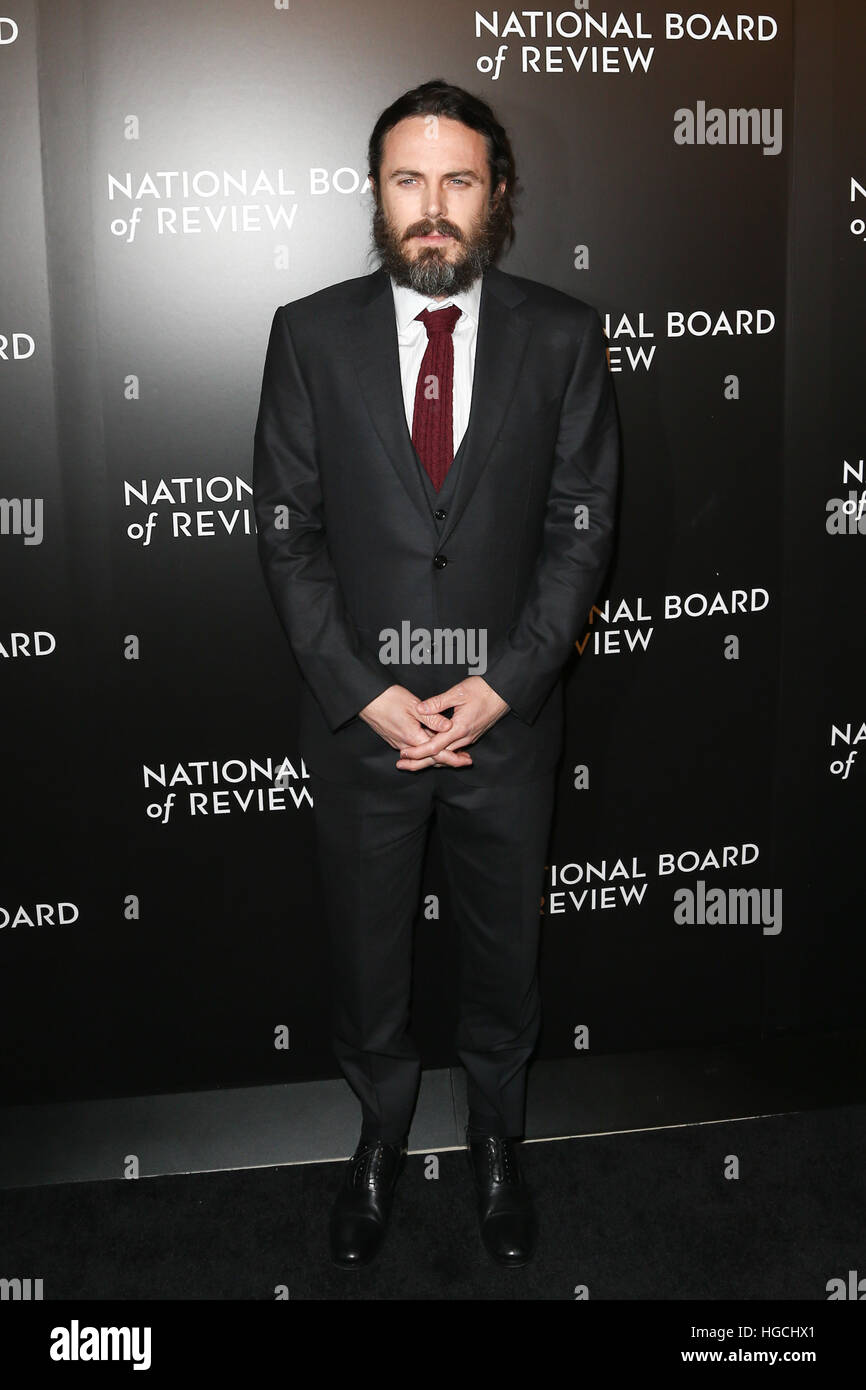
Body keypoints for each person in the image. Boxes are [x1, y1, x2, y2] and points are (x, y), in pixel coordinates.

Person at [252, 78, 620, 1270]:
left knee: (504, 959)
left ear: (495, 194)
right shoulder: (307, 335)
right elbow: (288, 536)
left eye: (456, 179)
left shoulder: (562, 335)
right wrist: (366, 690)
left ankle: (497, 1144)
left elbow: (579, 529)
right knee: (368, 961)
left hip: (505, 727)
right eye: (407, 180)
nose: (431, 207)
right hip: (360, 726)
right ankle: (376, 1143)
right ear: (374, 193)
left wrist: (502, 683)